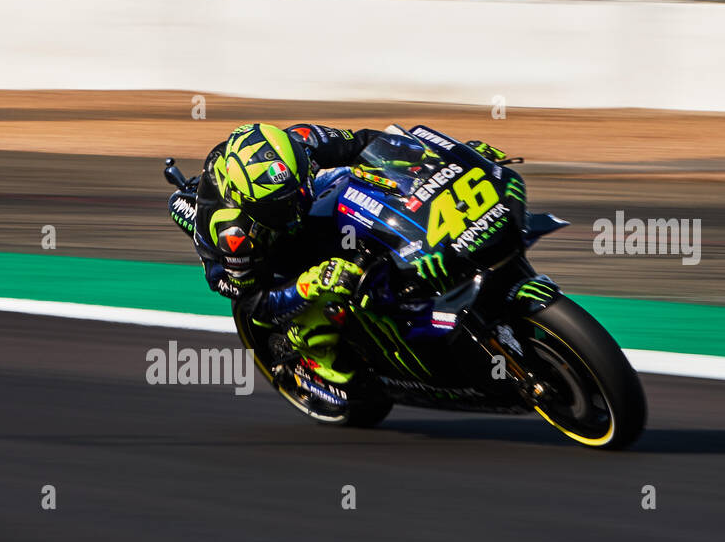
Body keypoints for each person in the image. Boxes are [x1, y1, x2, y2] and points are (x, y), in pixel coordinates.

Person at [189, 122, 507, 399]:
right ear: (253, 205)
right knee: (325, 297)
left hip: (291, 203)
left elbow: (368, 143)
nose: (298, 203)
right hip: (253, 262)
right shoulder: (233, 233)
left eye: (299, 187)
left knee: (366, 179)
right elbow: (252, 300)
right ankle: (315, 355)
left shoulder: (302, 141)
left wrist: (441, 160)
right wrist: (308, 285)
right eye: (283, 204)